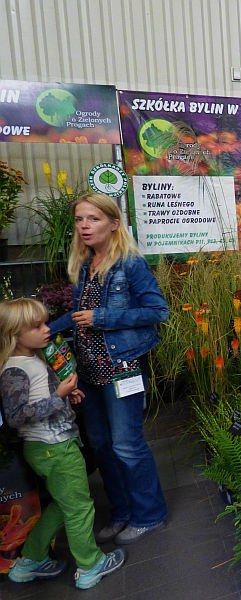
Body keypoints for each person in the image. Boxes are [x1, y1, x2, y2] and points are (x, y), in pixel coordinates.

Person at [50, 192, 169, 545]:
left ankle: (150, 514)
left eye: (94, 218)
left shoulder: (130, 263)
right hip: (87, 373)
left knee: (127, 445)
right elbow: (78, 316)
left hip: (122, 369)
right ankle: (122, 512)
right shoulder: (84, 265)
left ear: (114, 223)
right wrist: (39, 330)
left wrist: (103, 318)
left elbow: (157, 311)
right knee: (101, 445)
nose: (84, 226)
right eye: (80, 219)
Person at [0, 298, 125, 589]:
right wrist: (58, 397)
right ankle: (90, 565)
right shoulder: (14, 370)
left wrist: (64, 395)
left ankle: (30, 559)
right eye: (37, 326)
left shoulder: (30, 360)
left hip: (50, 447)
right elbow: (17, 416)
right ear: (14, 334)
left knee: (61, 504)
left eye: (45, 323)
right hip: (55, 448)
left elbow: (38, 398)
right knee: (79, 508)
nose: (47, 329)